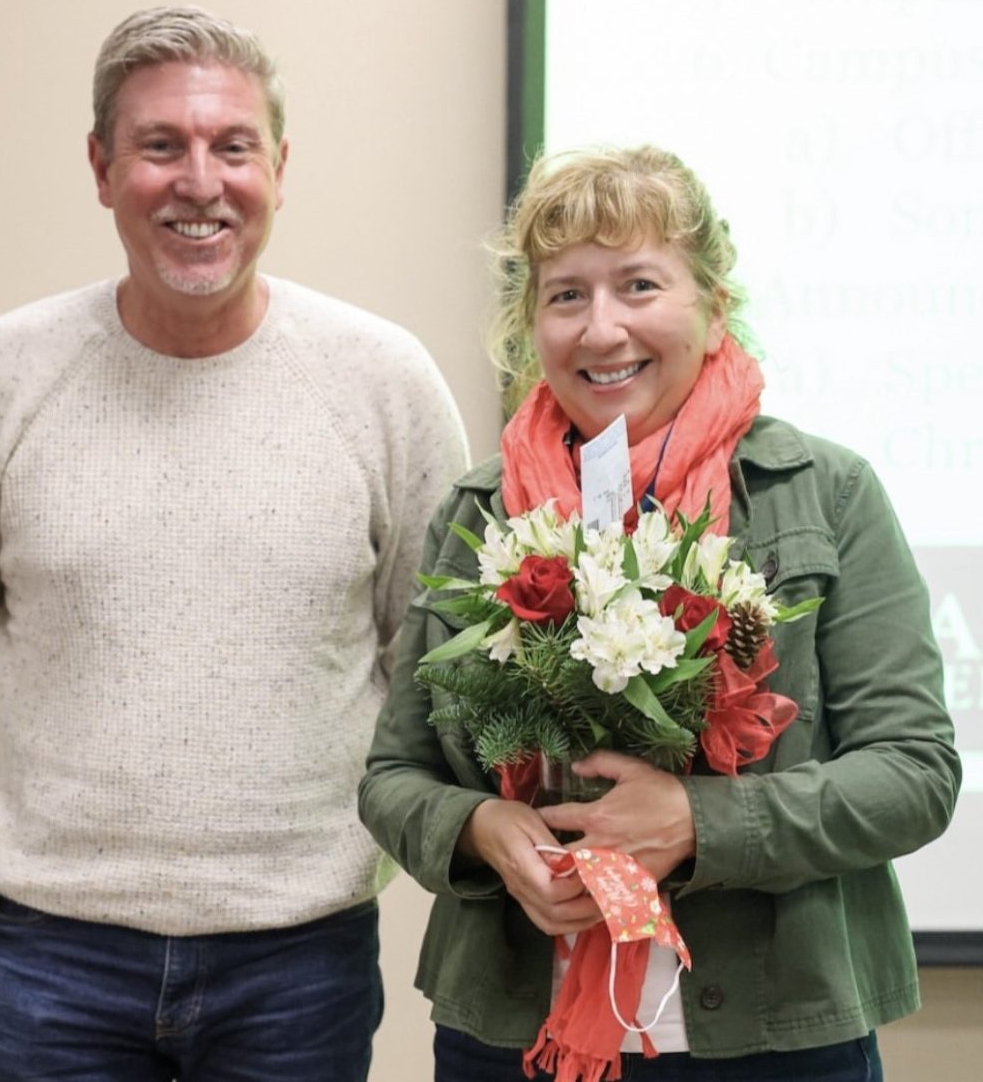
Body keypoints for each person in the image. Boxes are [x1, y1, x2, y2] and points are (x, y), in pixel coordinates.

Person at [0, 5, 468, 1082]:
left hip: (299, 957)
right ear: (102, 168)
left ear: (279, 168)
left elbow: (431, 653)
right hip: (47, 955)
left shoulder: (385, 382)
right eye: (160, 145)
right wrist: (61, 803)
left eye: (232, 146)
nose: (201, 181)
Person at [358, 144, 961, 1082]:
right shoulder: (482, 511)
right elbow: (396, 774)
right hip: (516, 1036)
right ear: (530, 327)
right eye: (566, 295)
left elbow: (915, 771)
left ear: (713, 305)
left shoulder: (829, 492)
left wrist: (702, 821)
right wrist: (480, 830)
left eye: (639, 285)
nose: (603, 330)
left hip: (774, 1042)